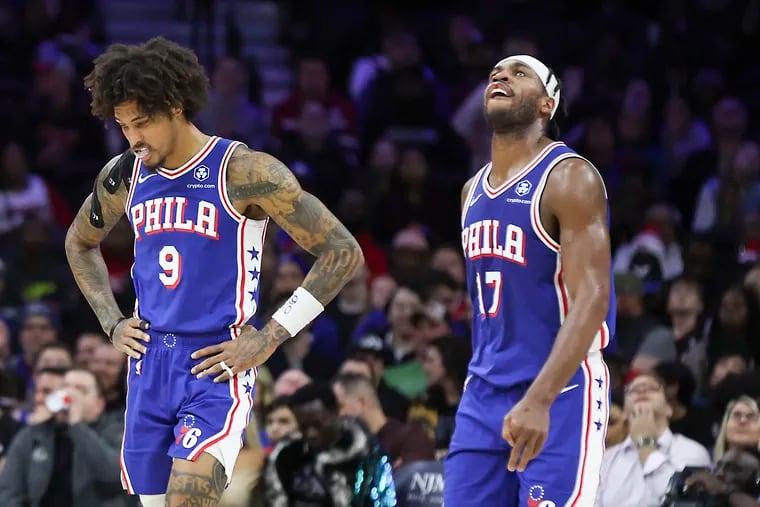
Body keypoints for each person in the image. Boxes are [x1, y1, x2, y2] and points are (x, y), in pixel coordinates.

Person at [64, 37, 364, 507]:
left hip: (215, 364)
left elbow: (342, 251)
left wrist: (269, 336)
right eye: (123, 127)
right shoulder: (125, 173)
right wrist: (111, 320)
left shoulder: (243, 171)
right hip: (148, 366)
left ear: (177, 106)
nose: (133, 139)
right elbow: (79, 244)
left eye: (142, 123)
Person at [446, 54, 617, 506]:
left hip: (560, 390)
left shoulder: (569, 177)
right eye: (495, 74)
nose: (501, 76)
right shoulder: (471, 190)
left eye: (519, 73)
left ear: (548, 104)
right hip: (482, 393)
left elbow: (593, 298)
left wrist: (540, 400)